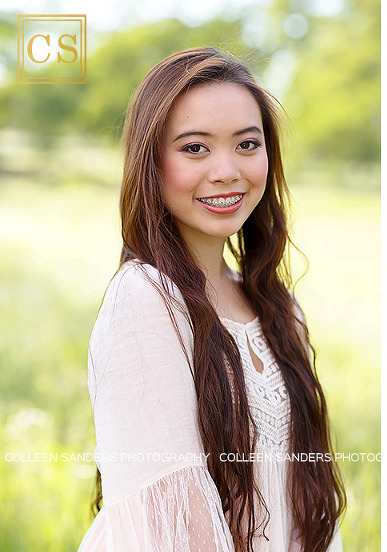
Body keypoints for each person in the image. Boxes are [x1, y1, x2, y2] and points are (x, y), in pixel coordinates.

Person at [77, 47, 345, 552]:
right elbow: (173, 524)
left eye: (247, 144)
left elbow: (298, 490)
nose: (226, 171)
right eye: (195, 148)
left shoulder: (279, 309)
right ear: (150, 162)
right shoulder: (145, 300)